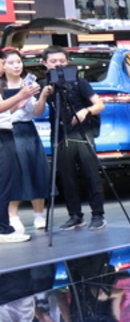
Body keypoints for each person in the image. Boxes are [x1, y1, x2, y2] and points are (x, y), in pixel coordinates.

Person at [31, 47, 107, 231]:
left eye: (62, 61)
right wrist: (43, 95)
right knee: (66, 177)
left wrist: (85, 111)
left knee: (91, 174)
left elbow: (99, 105)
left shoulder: (79, 82)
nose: (58, 65)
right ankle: (75, 216)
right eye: (53, 62)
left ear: (67, 62)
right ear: (45, 63)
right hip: (59, 134)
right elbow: (37, 112)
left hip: (82, 132)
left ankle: (98, 215)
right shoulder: (44, 84)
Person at [2, 50, 50, 233]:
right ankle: (13, 216)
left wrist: (42, 96)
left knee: (36, 170)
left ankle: (39, 214)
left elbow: (37, 112)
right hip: (8, 131)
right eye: (11, 63)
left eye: (19, 62)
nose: (16, 66)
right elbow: (5, 113)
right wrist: (18, 102)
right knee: (13, 174)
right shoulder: (1, 86)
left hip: (28, 130)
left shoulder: (30, 83)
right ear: (3, 65)